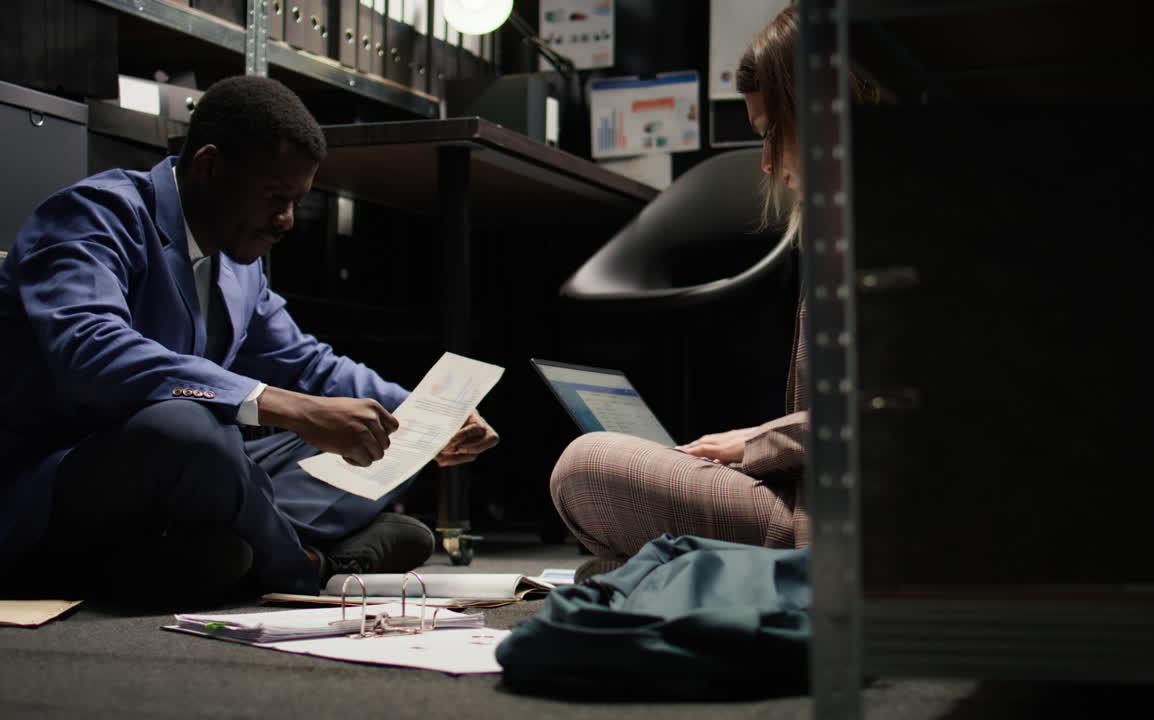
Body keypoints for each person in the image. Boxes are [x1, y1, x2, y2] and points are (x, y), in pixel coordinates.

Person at [0, 75, 498, 602]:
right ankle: (303, 566)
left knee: (376, 435)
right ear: (210, 166)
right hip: (59, 480)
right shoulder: (94, 215)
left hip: (188, 476)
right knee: (187, 428)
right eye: (275, 198)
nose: (287, 221)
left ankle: (224, 553)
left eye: (297, 201)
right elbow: (92, 350)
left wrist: (428, 417)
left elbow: (308, 364)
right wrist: (288, 407)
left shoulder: (239, 260)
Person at [548, 5, 884, 579]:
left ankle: (687, 572)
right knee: (602, 472)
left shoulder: (891, 236)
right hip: (813, 498)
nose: (768, 162)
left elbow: (888, 413)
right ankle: (678, 571)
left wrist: (761, 443)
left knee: (587, 467)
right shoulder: (852, 230)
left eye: (769, 133)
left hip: (836, 524)